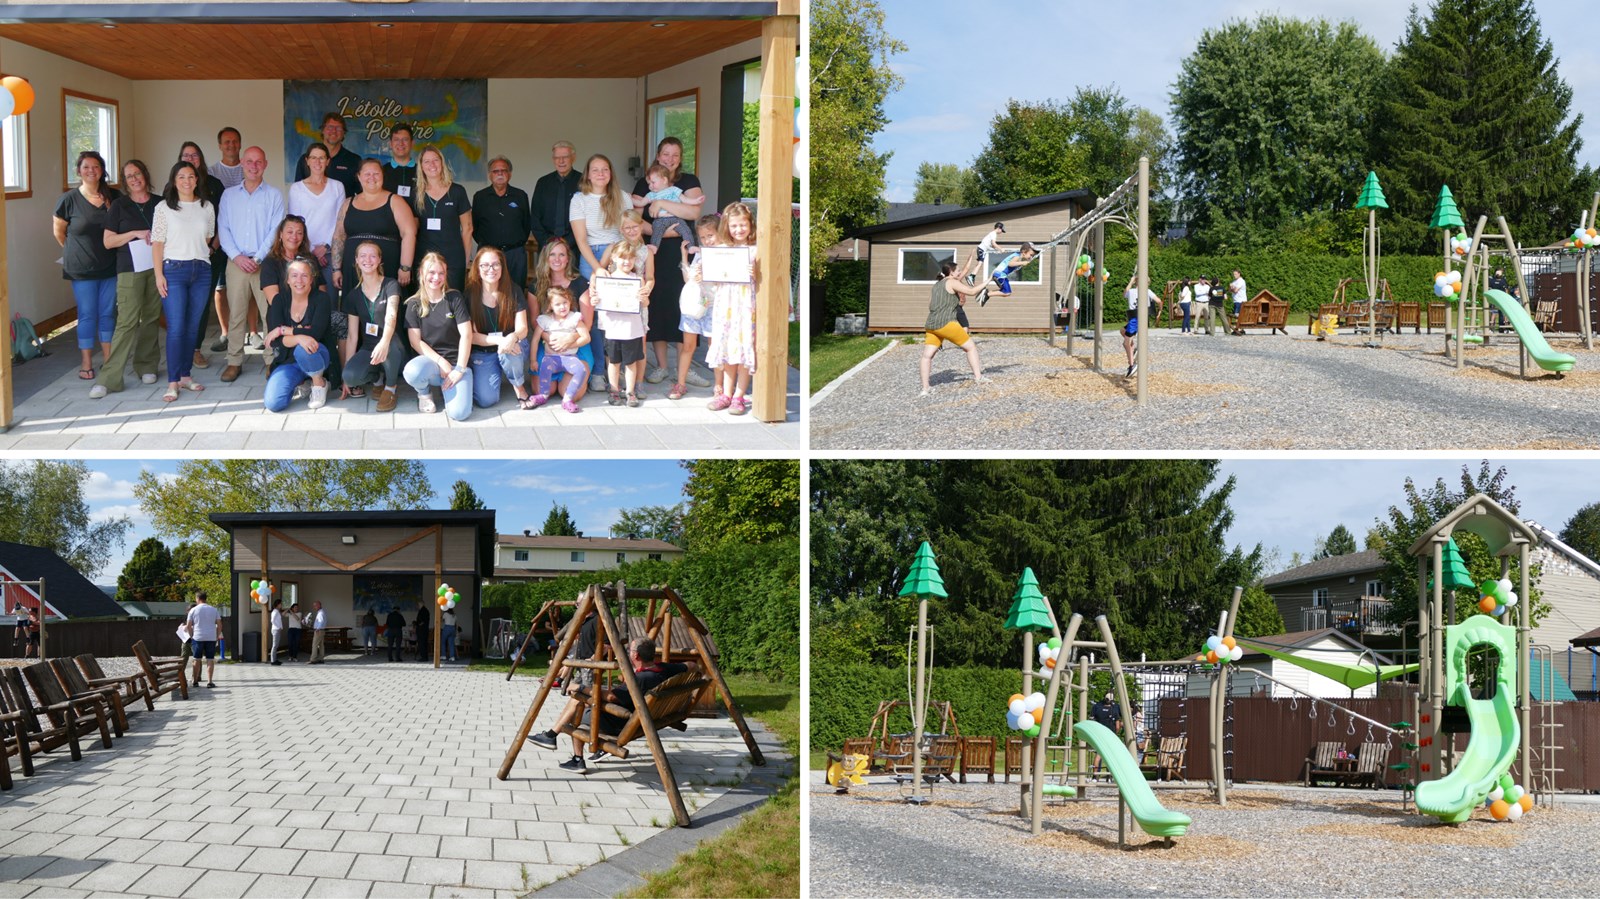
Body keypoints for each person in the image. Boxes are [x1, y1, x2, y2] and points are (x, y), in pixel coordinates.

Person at [631, 137, 706, 388]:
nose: (670, 159)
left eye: (675, 154)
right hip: (656, 252)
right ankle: (662, 367)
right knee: (659, 307)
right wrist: (661, 230)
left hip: (682, 251)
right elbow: (635, 217)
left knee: (685, 306)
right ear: (658, 155)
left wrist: (662, 203)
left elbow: (693, 213)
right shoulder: (645, 181)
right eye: (665, 154)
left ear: (680, 156)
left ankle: (685, 369)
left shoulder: (688, 181)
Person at [559, 638, 687, 772]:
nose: (628, 653)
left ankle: (577, 759)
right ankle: (554, 735)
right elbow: (691, 665)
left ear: (636, 655)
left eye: (629, 650)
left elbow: (611, 697)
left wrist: (581, 687)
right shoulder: (663, 669)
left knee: (578, 715)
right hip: (648, 717)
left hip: (622, 722)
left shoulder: (640, 679)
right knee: (585, 705)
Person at [92, 160, 163, 399]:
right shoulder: (119, 206)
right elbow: (108, 241)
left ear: (145, 175)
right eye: (129, 176)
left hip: (155, 268)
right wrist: (133, 234)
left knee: (152, 317)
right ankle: (110, 378)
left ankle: (147, 365)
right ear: (125, 181)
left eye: (138, 173)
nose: (135, 179)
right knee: (127, 322)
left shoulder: (160, 203)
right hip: (129, 269)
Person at [217, 146, 285, 382]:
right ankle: (234, 361)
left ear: (265, 164)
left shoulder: (274, 195)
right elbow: (222, 229)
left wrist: (257, 258)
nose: (254, 166)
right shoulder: (228, 195)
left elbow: (275, 230)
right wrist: (237, 257)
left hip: (265, 263)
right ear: (242, 164)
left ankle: (270, 359)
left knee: (270, 314)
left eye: (258, 162)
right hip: (236, 262)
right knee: (236, 315)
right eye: (249, 161)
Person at [151, 160, 217, 403]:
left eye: (191, 176)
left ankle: (186, 376)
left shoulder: (206, 206)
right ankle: (173, 381)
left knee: (192, 327)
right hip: (174, 271)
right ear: (174, 181)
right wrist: (159, 275)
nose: (187, 181)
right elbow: (157, 243)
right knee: (176, 328)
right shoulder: (163, 208)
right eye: (181, 177)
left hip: (201, 270)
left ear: (197, 179)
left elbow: (208, 236)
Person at [53, 150, 122, 382]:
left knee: (107, 314)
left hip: (110, 266)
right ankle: (86, 362)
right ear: (78, 171)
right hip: (81, 270)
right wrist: (78, 253)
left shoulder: (114, 196)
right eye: (86, 167)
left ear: (102, 170)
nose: (91, 171)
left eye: (96, 166)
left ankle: (109, 360)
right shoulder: (68, 200)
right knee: (87, 315)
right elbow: (59, 233)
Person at [570, 153, 625, 389]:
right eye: (595, 169)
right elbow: (581, 240)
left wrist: (613, 262)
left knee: (616, 316)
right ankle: (598, 373)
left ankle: (616, 370)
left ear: (611, 172)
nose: (601, 173)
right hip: (590, 257)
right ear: (587, 174)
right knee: (591, 317)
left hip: (619, 256)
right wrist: (598, 269)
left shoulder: (622, 198)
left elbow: (627, 231)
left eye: (605, 169)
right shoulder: (579, 199)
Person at [403, 252, 474, 420]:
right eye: (431, 272)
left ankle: (450, 389)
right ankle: (424, 393)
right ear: (421, 273)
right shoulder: (413, 304)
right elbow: (415, 342)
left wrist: (459, 369)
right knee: (412, 371)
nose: (436, 277)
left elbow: (467, 335)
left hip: (457, 365)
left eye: (441, 273)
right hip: (432, 364)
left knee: (459, 414)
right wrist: (440, 361)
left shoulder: (454, 298)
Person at [702, 203, 759, 414]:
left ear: (750, 225)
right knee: (726, 348)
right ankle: (726, 393)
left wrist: (755, 273)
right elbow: (713, 282)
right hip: (724, 305)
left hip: (744, 305)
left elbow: (763, 280)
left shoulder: (755, 250)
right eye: (734, 225)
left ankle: (739, 396)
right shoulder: (720, 250)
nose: (738, 230)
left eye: (743, 225)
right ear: (727, 226)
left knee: (743, 347)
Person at [180, 140, 231, 366]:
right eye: (186, 156)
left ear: (200, 158)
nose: (190, 159)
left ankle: (195, 349)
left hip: (211, 255)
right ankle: (179, 348)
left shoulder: (214, 185)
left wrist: (212, 247)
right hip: (181, 257)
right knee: (182, 304)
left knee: (200, 304)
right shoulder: (172, 187)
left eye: (194, 155)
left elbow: (223, 221)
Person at [334, 158, 418, 294]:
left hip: (387, 267)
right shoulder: (347, 203)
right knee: (354, 311)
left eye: (376, 174)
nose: (372, 178)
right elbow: (339, 236)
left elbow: (409, 233)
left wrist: (405, 267)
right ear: (359, 177)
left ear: (383, 176)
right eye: (367, 174)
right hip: (353, 268)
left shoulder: (396, 201)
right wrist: (336, 269)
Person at [340, 240, 405, 411]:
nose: (367, 260)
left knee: (388, 347)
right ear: (356, 260)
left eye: (372, 256)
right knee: (350, 375)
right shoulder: (353, 295)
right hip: (369, 347)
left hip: (392, 343)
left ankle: (390, 388)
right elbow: (353, 335)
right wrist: (348, 366)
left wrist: (383, 343)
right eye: (362, 255)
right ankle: (377, 379)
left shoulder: (390, 285)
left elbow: (392, 316)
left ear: (379, 260)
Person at [262, 259, 335, 412]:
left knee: (304, 348)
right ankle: (303, 381)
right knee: (274, 403)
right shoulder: (279, 300)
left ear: (311, 279)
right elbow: (276, 343)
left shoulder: (322, 299)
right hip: (289, 361)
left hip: (317, 356)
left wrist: (283, 330)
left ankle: (319, 383)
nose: (299, 280)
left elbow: (315, 333)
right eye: (294, 276)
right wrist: (300, 337)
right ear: (287, 280)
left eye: (304, 276)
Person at [465, 245, 531, 409]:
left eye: (496, 264)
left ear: (502, 267)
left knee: (508, 353)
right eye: (485, 265)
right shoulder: (469, 294)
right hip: (484, 350)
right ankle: (495, 371)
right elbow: (471, 336)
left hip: (512, 347)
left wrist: (512, 338)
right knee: (486, 400)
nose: (491, 269)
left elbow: (523, 328)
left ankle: (519, 388)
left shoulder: (513, 290)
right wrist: (500, 340)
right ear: (477, 268)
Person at [530, 239, 594, 403]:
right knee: (544, 390)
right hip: (550, 344)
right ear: (545, 257)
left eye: (561, 255)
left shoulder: (580, 284)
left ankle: (578, 373)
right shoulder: (536, 286)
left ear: (568, 259)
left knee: (569, 393)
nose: (557, 259)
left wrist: (570, 339)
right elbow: (534, 322)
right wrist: (550, 339)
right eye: (552, 254)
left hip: (576, 343)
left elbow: (587, 324)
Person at [667, 214, 722, 401]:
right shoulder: (699, 252)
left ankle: (719, 386)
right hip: (693, 306)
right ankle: (681, 383)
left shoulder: (725, 254)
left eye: (710, 236)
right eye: (703, 237)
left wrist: (708, 275)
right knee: (687, 345)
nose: (707, 240)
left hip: (714, 306)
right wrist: (685, 258)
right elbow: (687, 279)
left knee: (714, 346)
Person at [526, 606, 598, 750]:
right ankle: (552, 735)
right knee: (574, 700)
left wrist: (592, 659)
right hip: (580, 664)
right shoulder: (584, 620)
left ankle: (554, 735)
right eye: (578, 604)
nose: (578, 606)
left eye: (580, 603)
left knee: (587, 703)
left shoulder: (597, 620)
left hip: (589, 667)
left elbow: (607, 646)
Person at [596, 234, 654, 407]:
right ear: (614, 257)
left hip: (632, 329)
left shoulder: (638, 279)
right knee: (613, 362)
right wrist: (594, 300)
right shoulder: (606, 280)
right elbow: (598, 301)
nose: (626, 262)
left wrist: (643, 299)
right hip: (613, 328)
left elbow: (645, 303)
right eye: (622, 258)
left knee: (630, 362)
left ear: (635, 260)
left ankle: (630, 391)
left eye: (630, 258)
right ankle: (614, 390)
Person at [918, 256, 986, 397]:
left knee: (927, 356)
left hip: (931, 324)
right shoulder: (952, 282)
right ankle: (979, 378)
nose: (960, 273)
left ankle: (925, 389)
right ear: (952, 273)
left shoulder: (936, 285)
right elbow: (972, 292)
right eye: (958, 271)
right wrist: (989, 280)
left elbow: (930, 305)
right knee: (971, 347)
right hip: (947, 323)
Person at [288, 141, 347, 293]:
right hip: (304, 252)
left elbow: (340, 221)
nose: (317, 162)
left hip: (330, 253)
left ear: (328, 161)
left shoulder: (337, 187)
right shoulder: (297, 189)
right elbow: (296, 224)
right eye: (313, 158)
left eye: (321, 158)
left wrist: (325, 246)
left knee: (331, 301)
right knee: (307, 298)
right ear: (307, 161)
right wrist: (312, 249)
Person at [413, 146, 473, 291]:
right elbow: (412, 229)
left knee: (453, 300)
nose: (432, 165)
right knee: (426, 301)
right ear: (421, 166)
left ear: (442, 163)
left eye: (435, 160)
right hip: (424, 257)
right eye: (427, 161)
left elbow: (467, 228)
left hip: (453, 257)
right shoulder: (416, 193)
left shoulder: (457, 191)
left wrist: (464, 259)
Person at [472, 156, 533, 290]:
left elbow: (526, 224)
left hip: (515, 254)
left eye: (504, 171)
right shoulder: (480, 197)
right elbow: (474, 226)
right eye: (495, 171)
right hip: (488, 254)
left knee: (516, 292)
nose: (500, 174)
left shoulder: (520, 195)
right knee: (487, 292)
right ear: (489, 175)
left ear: (509, 174)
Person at [527, 285, 590, 413]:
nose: (562, 307)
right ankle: (543, 395)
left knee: (580, 370)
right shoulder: (545, 320)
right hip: (551, 358)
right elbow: (535, 339)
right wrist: (533, 360)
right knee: (544, 366)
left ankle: (567, 399)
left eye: (565, 302)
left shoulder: (574, 318)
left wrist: (569, 345)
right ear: (550, 306)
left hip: (569, 358)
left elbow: (586, 337)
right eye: (558, 304)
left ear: (570, 302)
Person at [531, 140, 580, 255]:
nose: (561, 161)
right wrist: (548, 244)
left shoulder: (583, 182)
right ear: (553, 160)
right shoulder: (543, 183)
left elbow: (588, 217)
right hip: (546, 247)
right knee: (546, 274)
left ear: (573, 158)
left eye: (565, 157)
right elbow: (535, 217)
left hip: (575, 247)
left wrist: (567, 243)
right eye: (557, 157)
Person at [635, 163, 696, 255]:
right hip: (661, 219)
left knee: (685, 229)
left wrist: (696, 201)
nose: (650, 186)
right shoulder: (651, 194)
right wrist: (629, 198)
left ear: (664, 180)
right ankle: (654, 246)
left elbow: (685, 200)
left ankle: (691, 246)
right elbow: (640, 203)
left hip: (676, 218)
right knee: (656, 230)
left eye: (653, 182)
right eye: (649, 184)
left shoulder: (674, 190)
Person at [295, 112, 361, 196]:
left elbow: (361, 194)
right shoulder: (306, 160)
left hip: (344, 208)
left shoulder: (354, 160)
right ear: (322, 130)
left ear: (344, 132)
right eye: (330, 127)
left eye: (338, 128)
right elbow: (298, 192)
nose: (333, 131)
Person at [1122, 279, 1159, 379]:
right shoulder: (1148, 291)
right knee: (1123, 331)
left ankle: (1132, 365)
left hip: (1135, 319)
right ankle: (1133, 350)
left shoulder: (1132, 291)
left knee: (1126, 342)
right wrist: (1156, 312)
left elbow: (1124, 293)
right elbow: (1159, 301)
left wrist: (1130, 281)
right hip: (1139, 318)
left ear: (1136, 283)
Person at [186, 590, 222, 688]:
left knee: (196, 659)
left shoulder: (193, 610)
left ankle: (195, 681)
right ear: (206, 598)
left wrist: (191, 636)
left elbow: (189, 626)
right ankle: (210, 682)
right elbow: (219, 625)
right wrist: (216, 636)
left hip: (197, 637)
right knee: (210, 659)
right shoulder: (213, 610)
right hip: (211, 637)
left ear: (197, 598)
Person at [381, 123, 417, 200]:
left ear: (412, 143)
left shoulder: (423, 171)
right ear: (390, 144)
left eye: (405, 139)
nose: (401, 143)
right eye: (396, 139)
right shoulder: (382, 172)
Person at [1090, 692, 1122, 773]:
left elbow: (1092, 719)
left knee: (1098, 755)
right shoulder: (1114, 710)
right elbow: (1118, 726)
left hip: (1099, 734)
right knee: (1111, 756)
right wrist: (1115, 733)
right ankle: (1110, 775)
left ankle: (1095, 775)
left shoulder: (1097, 707)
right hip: (1111, 734)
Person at [308, 600, 328, 664]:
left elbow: (321, 621)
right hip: (322, 630)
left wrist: (317, 629)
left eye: (315, 606)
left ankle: (313, 659)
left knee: (315, 645)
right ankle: (321, 659)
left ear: (319, 605)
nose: (314, 607)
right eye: (314, 606)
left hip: (318, 631)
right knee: (321, 645)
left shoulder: (320, 613)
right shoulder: (322, 612)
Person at [269, 599, 285, 665]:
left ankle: (275, 659)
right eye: (280, 604)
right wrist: (278, 627)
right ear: (278, 604)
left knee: (276, 645)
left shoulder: (277, 611)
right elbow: (272, 620)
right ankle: (273, 661)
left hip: (277, 629)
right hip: (276, 630)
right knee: (275, 645)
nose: (281, 605)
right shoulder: (275, 611)